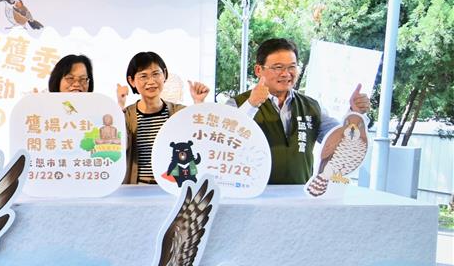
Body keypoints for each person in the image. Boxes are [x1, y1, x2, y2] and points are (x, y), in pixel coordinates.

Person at [228, 37, 370, 185]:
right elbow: (225, 140)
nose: (286, 73)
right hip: (252, 193)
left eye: (292, 67)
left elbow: (339, 141)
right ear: (259, 70)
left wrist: (355, 113)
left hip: (300, 193)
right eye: (278, 67)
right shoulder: (238, 103)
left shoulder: (311, 106)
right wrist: (251, 104)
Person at [117, 51, 210, 184]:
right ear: (132, 81)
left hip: (171, 186)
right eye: (143, 76)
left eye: (156, 74)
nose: (151, 81)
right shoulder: (127, 115)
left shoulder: (179, 113)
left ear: (164, 74)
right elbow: (118, 147)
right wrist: (119, 106)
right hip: (137, 187)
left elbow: (200, 138)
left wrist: (198, 103)